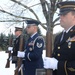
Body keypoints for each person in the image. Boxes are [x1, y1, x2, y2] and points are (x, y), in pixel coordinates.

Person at [43, 1, 75, 75]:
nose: (60, 17)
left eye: (64, 14)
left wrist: (58, 65)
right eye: (60, 14)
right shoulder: (58, 37)